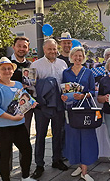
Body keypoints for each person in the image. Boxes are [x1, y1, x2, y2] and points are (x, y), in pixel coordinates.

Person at [0, 57, 37, 181]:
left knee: (26, 150)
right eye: (3, 69)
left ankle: (25, 177)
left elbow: (22, 100)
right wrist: (12, 118)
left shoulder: (18, 84)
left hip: (18, 125)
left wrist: (31, 103)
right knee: (5, 154)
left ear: (13, 71)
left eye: (9, 68)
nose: (7, 71)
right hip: (1, 127)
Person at [30, 39, 68, 179]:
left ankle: (56, 160)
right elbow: (30, 85)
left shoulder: (62, 63)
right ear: (44, 49)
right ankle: (39, 165)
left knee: (58, 133)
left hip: (59, 104)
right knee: (41, 135)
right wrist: (37, 102)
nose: (52, 51)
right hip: (42, 106)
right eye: (49, 49)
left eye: (54, 49)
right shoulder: (35, 64)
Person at [61, 46, 97, 181]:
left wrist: (83, 96)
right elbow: (64, 91)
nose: (77, 58)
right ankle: (78, 165)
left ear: (83, 58)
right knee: (73, 138)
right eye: (75, 56)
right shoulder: (66, 73)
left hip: (85, 110)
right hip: (71, 110)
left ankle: (84, 170)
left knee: (86, 139)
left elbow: (93, 91)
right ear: (71, 57)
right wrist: (63, 97)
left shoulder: (88, 73)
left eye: (80, 56)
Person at [0, 36, 33, 134]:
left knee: (24, 134)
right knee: (7, 135)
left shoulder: (31, 65)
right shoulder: (4, 62)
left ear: (28, 49)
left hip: (25, 106)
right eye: (19, 46)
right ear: (13, 47)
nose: (21, 49)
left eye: (24, 46)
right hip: (7, 105)